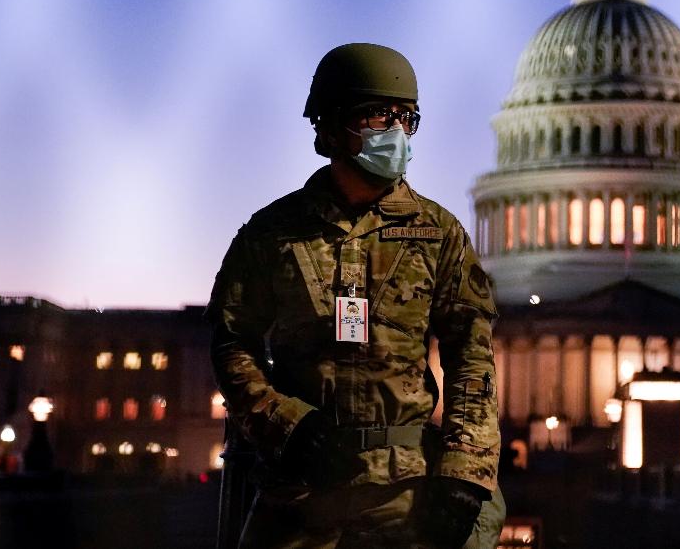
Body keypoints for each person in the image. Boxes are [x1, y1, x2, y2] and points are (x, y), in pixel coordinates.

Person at [206, 43, 504, 549]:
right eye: (376, 115)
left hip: (410, 496)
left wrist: (465, 472)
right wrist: (285, 425)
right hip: (301, 493)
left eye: (406, 118)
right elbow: (232, 342)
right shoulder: (272, 234)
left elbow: (472, 357)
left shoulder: (440, 234)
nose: (395, 132)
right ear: (330, 126)